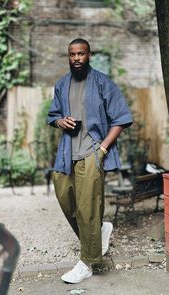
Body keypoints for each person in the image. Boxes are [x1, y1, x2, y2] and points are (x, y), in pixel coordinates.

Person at [48, 38, 133, 284]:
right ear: (68, 56)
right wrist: (60, 121)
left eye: (81, 54)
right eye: (72, 54)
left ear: (89, 55)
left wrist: (103, 149)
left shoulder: (103, 83)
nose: (76, 58)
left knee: (88, 208)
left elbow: (121, 118)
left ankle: (88, 262)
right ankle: (100, 231)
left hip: (92, 152)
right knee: (65, 199)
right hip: (66, 152)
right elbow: (53, 115)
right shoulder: (62, 84)